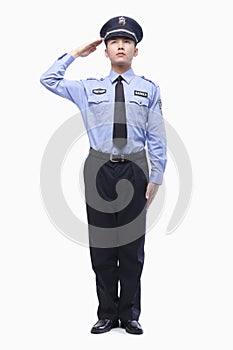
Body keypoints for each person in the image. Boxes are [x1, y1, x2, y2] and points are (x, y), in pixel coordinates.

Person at [40, 16, 167, 335]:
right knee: (102, 245)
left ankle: (131, 314)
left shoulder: (148, 89)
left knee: (132, 245)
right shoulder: (88, 88)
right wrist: (74, 53)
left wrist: (157, 176)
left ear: (135, 51)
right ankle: (107, 313)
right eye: (113, 42)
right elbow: (48, 79)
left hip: (136, 168)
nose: (120, 45)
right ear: (106, 51)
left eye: (127, 42)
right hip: (98, 168)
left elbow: (157, 135)